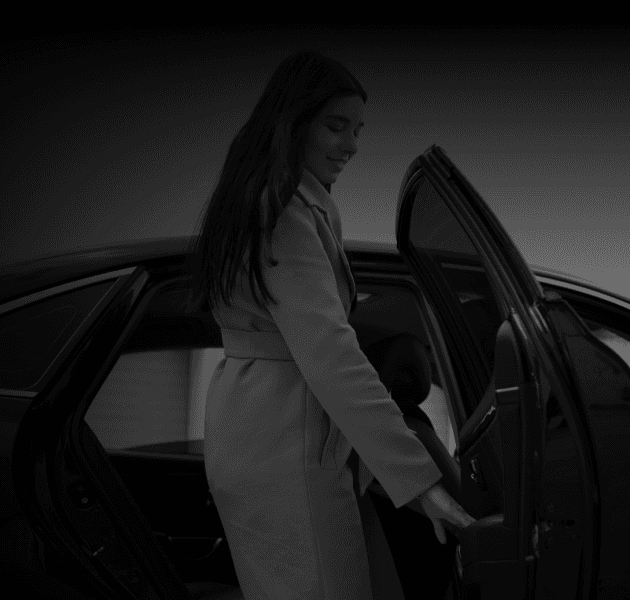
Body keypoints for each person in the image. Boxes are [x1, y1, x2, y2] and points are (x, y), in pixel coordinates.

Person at [185, 50, 475, 600]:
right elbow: (335, 360)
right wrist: (422, 484)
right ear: (292, 121)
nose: (351, 146)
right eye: (335, 126)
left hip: (260, 430)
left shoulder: (267, 200)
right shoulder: (286, 211)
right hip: (286, 439)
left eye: (358, 130)